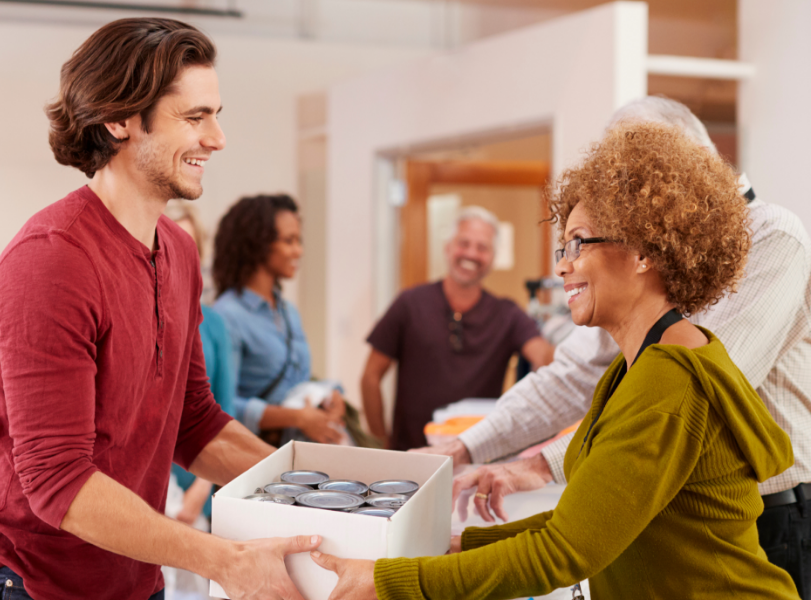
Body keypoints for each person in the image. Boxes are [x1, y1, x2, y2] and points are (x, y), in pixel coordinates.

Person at [313, 121, 800, 600]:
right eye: (562, 246)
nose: (562, 264)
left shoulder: (667, 381)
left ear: (644, 252)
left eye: (579, 243)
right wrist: (454, 546)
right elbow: (589, 521)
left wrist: (388, 582)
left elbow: (561, 552)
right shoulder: (640, 363)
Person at [0, 18, 320, 600]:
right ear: (120, 119)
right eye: (195, 117)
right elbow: (57, 481)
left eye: (216, 114)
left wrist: (321, 484)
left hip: (133, 579)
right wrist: (224, 560)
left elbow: (194, 423)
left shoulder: (176, 251)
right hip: (29, 586)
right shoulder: (51, 260)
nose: (218, 138)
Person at [362, 206, 554, 451]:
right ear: (448, 248)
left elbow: (543, 357)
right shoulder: (410, 304)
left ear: (493, 258)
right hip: (410, 456)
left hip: (478, 458)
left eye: (482, 247)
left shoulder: (508, 314)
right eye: (464, 243)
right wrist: (380, 445)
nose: (472, 254)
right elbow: (370, 376)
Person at [211, 194, 346, 445]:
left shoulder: (288, 311)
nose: (299, 250)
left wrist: (330, 397)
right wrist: (295, 418)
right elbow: (220, 405)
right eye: (289, 240)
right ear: (257, 244)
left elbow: (297, 384)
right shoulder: (227, 315)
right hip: (260, 453)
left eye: (299, 240)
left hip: (301, 449)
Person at [164, 200, 236, 527]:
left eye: (187, 245)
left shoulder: (215, 325)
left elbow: (221, 413)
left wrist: (199, 492)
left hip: (195, 484)